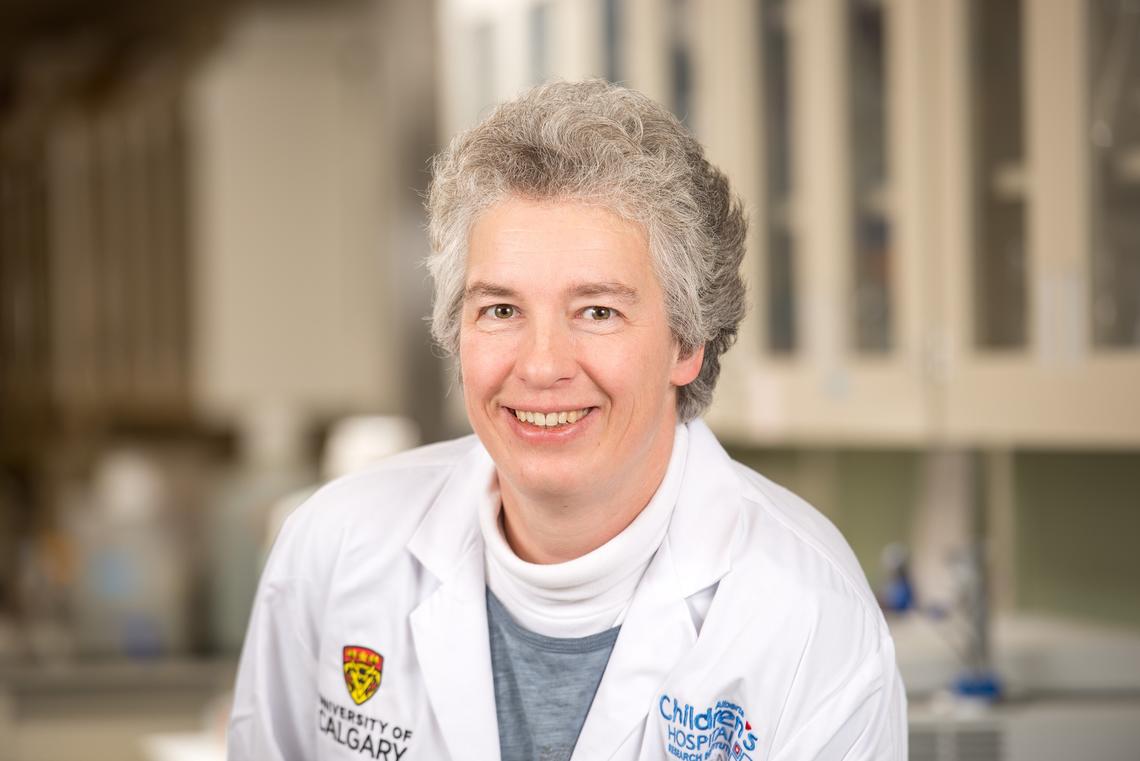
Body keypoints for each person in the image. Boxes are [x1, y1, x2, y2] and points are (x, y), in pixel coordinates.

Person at [228, 80, 907, 761]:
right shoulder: (334, 549)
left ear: (687, 343)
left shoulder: (812, 616)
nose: (541, 365)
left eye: (598, 311)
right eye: (500, 310)